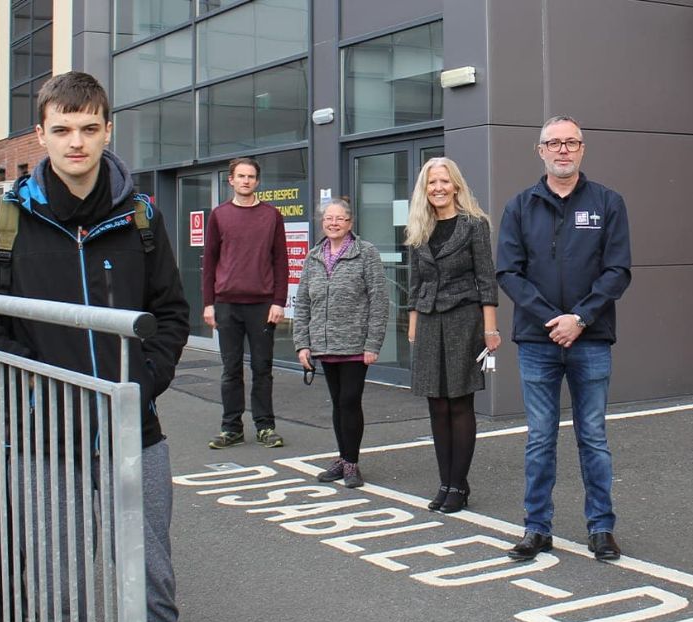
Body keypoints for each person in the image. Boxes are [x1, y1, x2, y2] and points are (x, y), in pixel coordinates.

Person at [0, 71, 189, 622]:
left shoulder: (142, 217)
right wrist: (44, 393)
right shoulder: (9, 218)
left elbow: (170, 311)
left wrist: (145, 381)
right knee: (58, 592)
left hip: (135, 432)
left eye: (90, 128)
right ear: (40, 134)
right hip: (46, 441)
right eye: (62, 129)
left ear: (108, 131)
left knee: (151, 580)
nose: (76, 142)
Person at [496, 115, 632, 563]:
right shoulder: (519, 206)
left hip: (591, 339)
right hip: (537, 342)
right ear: (540, 151)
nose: (562, 150)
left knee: (592, 435)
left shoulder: (608, 203)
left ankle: (601, 528)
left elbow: (617, 270)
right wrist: (553, 319)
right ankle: (537, 528)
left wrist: (581, 318)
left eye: (571, 142)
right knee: (540, 438)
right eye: (553, 143)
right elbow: (508, 273)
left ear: (582, 149)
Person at [406, 157, 500, 515]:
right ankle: (445, 481)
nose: (438, 188)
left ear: (456, 185)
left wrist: (490, 328)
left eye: (444, 181)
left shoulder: (474, 225)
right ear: (425, 189)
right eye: (432, 183)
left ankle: (459, 484)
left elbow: (486, 279)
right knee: (436, 403)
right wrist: (413, 323)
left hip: (464, 319)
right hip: (429, 321)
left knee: (459, 403)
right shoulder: (419, 227)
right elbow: (416, 283)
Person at [293, 198, 389, 489]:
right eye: (328, 219)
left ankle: (351, 463)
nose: (333, 223)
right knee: (337, 403)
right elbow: (303, 305)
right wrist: (302, 344)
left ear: (350, 223)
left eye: (339, 219)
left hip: (355, 344)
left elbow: (379, 301)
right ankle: (343, 456)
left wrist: (373, 344)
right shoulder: (313, 256)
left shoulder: (366, 253)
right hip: (323, 344)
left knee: (350, 401)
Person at [202, 157, 289, 449]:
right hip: (226, 304)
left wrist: (279, 302)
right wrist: (208, 303)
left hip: (262, 304)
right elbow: (210, 262)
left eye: (251, 177)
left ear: (257, 181)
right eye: (241, 176)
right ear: (231, 180)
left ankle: (265, 427)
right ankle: (231, 428)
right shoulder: (219, 215)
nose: (246, 181)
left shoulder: (271, 216)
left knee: (262, 368)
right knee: (231, 369)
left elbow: (281, 262)